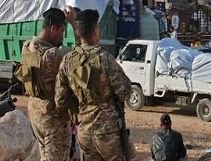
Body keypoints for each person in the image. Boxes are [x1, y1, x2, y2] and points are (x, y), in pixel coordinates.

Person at [55, 9, 133, 161]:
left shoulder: (68, 60)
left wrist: (77, 112)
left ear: (78, 32)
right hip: (107, 132)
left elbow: (60, 100)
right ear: (96, 30)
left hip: (84, 130)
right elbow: (126, 92)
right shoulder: (105, 59)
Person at [15, 8, 73, 161]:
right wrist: (74, 22)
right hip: (52, 117)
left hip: (36, 112)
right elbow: (81, 53)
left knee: (45, 155)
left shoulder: (27, 47)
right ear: (53, 28)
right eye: (61, 31)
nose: (62, 36)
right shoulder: (52, 55)